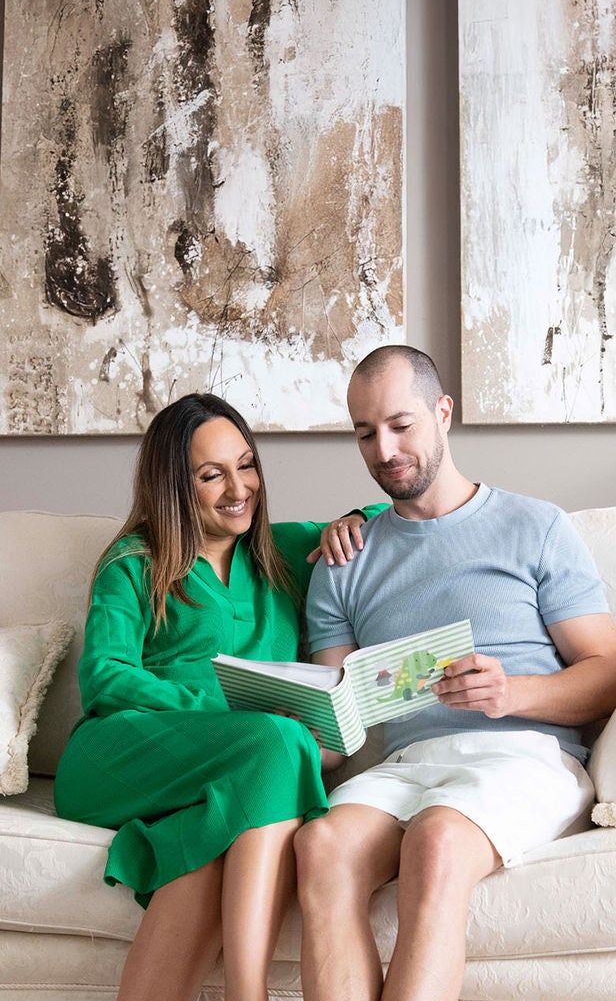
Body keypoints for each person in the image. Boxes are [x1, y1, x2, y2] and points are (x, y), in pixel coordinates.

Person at [295, 344, 616, 1001]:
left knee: (438, 840)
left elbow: (607, 673)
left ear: (443, 413)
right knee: (321, 846)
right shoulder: (342, 560)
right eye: (364, 432)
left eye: (400, 423)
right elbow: (334, 731)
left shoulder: (536, 526)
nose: (383, 449)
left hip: (523, 755)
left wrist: (511, 692)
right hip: (407, 765)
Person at [54, 391, 377, 1001]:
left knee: (222, 828)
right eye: (212, 474)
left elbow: (400, 517)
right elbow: (106, 679)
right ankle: (246, 993)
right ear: (176, 486)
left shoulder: (287, 551)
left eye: (247, 464)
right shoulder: (133, 562)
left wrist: (353, 518)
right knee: (279, 737)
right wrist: (231, 702)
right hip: (120, 754)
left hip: (233, 765)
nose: (239, 487)